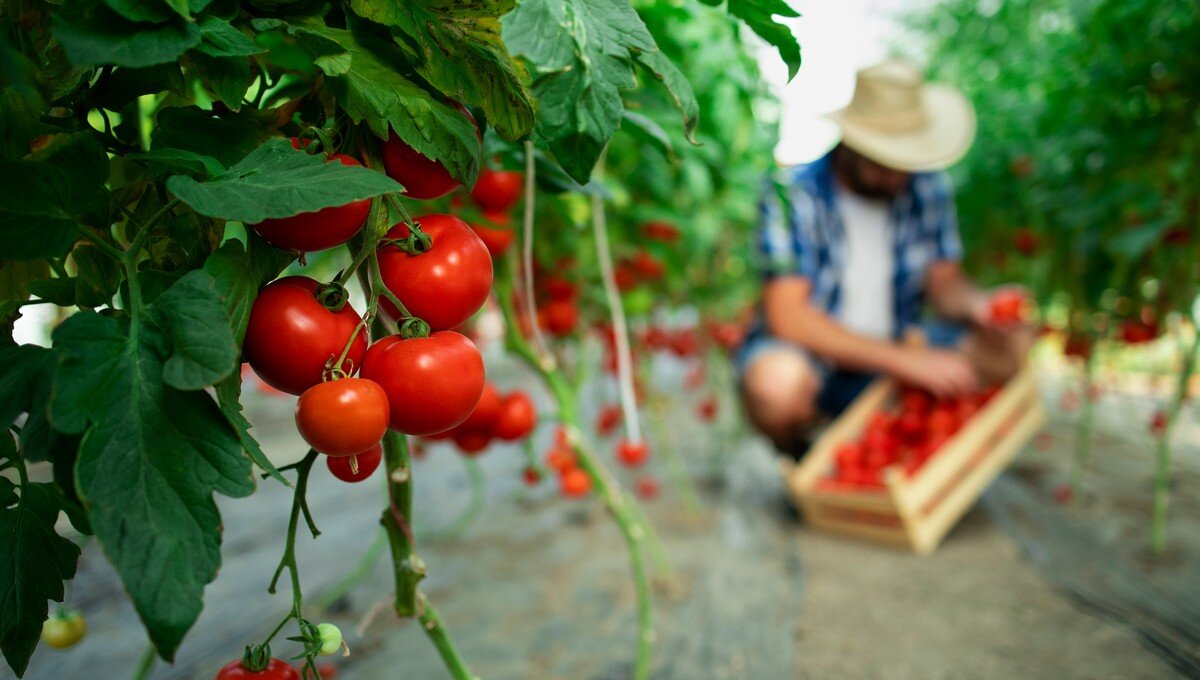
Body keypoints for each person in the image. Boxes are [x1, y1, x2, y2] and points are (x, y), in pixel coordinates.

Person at [737, 60, 1032, 458]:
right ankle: (805, 451)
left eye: (904, 162)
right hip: (819, 363)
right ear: (852, 143)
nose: (897, 176)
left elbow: (945, 283)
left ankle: (907, 440)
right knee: (775, 385)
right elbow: (788, 317)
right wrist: (906, 361)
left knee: (1013, 347)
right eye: (883, 162)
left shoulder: (926, 188)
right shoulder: (791, 194)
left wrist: (979, 305)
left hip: (899, 348)